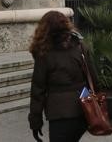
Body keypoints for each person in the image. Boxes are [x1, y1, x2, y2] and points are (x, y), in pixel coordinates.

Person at [28, 11, 94, 142]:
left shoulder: (44, 53)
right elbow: (93, 78)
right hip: (83, 110)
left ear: (44, 29)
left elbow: (38, 90)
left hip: (59, 114)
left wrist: (35, 122)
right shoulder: (80, 46)